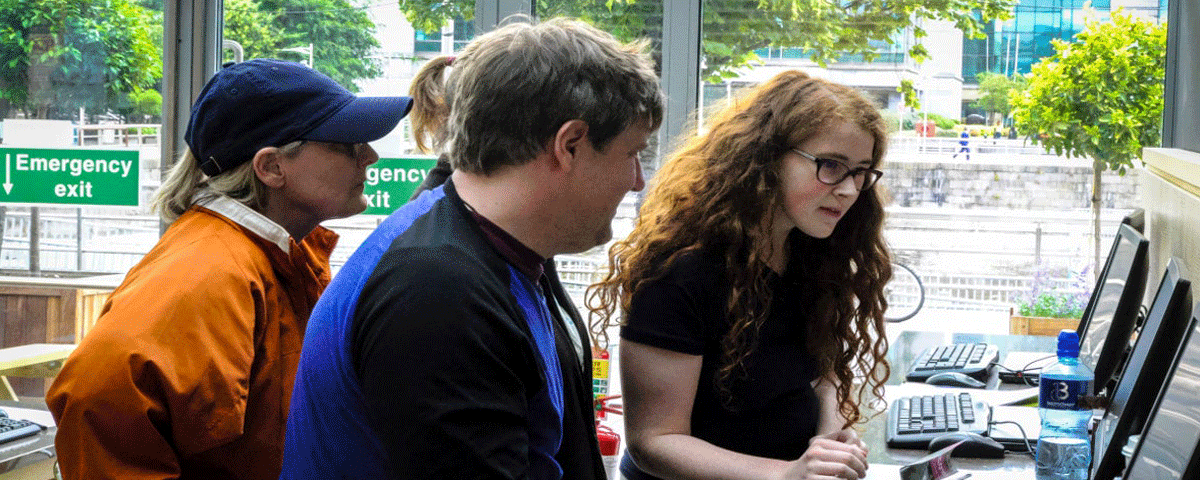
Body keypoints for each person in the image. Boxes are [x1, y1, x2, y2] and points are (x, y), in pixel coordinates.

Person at [280, 17, 663, 479]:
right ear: (570, 144)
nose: (638, 180)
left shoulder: (493, 245)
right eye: (632, 154)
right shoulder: (437, 290)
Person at [46, 58, 413, 480]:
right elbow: (97, 401)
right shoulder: (207, 272)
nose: (370, 155)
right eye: (345, 143)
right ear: (272, 167)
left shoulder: (272, 257)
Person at [588, 70, 891, 480]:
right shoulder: (680, 271)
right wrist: (786, 474)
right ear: (766, 157)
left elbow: (824, 371)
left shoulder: (813, 250)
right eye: (831, 166)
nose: (851, 190)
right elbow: (654, 442)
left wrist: (831, 440)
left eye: (860, 172)